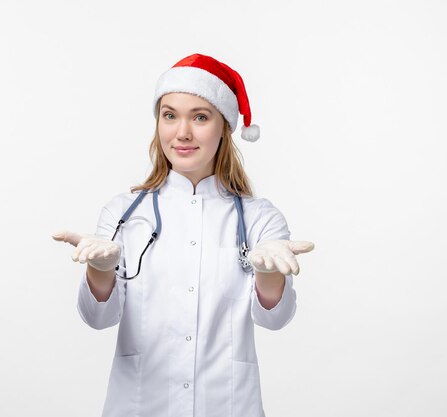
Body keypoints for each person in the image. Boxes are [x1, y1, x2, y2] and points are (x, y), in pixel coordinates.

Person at [52, 53, 314, 417]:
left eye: (200, 117)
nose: (182, 132)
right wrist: (100, 270)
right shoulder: (124, 214)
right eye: (170, 115)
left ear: (224, 126)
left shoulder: (258, 219)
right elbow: (98, 319)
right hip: (140, 406)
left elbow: (274, 320)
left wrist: (268, 275)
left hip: (225, 406)